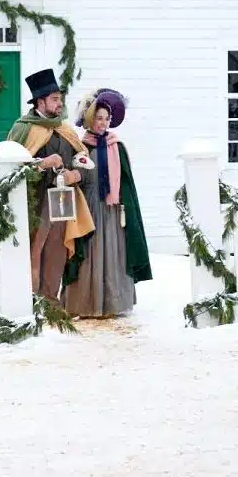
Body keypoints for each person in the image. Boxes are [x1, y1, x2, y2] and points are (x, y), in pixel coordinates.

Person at [6, 68, 95, 302]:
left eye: (60, 99)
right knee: (33, 251)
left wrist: (75, 175)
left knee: (57, 251)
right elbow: (11, 170)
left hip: (63, 202)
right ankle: (30, 303)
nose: (59, 103)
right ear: (40, 101)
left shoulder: (65, 129)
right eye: (55, 99)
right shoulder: (23, 129)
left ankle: (50, 304)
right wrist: (43, 163)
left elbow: (86, 166)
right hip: (35, 203)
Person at [63, 88, 152, 318]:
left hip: (112, 210)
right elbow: (80, 174)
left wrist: (125, 206)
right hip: (89, 207)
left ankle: (112, 304)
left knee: (114, 252)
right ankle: (86, 304)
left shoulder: (116, 146)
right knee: (89, 251)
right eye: (99, 118)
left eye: (106, 119)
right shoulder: (81, 146)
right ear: (90, 119)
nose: (103, 123)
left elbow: (126, 183)